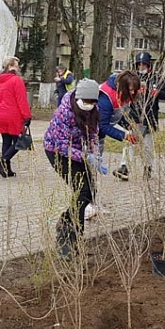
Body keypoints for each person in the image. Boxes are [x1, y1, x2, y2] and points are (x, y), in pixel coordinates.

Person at [43, 78, 101, 259]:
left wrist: (95, 152)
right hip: (56, 151)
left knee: (89, 191)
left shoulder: (93, 111)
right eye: (86, 102)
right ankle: (65, 231)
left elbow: (93, 133)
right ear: (78, 97)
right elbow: (61, 146)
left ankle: (76, 239)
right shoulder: (64, 112)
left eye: (92, 103)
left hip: (77, 151)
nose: (89, 105)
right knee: (81, 190)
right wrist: (85, 156)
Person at [124, 52, 165, 179]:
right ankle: (124, 167)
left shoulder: (157, 78)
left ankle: (148, 167)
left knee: (148, 145)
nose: (141, 67)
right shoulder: (133, 78)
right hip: (134, 115)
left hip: (150, 116)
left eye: (144, 65)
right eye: (139, 65)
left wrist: (156, 92)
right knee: (130, 142)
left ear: (149, 65)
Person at [0, 56, 32, 178]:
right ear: (11, 66)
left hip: (0, 114)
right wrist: (27, 116)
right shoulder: (16, 80)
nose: (18, 68)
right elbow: (21, 100)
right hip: (13, 114)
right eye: (16, 65)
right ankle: (3, 159)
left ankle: (7, 170)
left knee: (6, 141)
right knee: (18, 142)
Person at [98, 71, 142, 181]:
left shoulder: (124, 92)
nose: (132, 93)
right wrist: (124, 136)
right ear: (122, 86)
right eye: (130, 90)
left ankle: (124, 168)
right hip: (92, 131)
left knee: (132, 136)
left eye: (134, 90)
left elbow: (116, 115)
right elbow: (103, 125)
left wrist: (128, 125)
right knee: (92, 161)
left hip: (105, 126)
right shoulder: (106, 97)